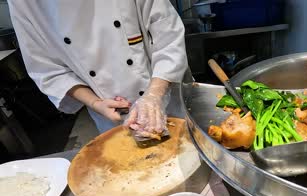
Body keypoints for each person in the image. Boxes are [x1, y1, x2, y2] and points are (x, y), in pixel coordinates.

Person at [7, 0, 188, 135]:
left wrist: (154, 95)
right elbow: (47, 69)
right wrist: (95, 103)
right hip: (111, 115)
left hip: (168, 96)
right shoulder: (23, 3)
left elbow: (168, 36)